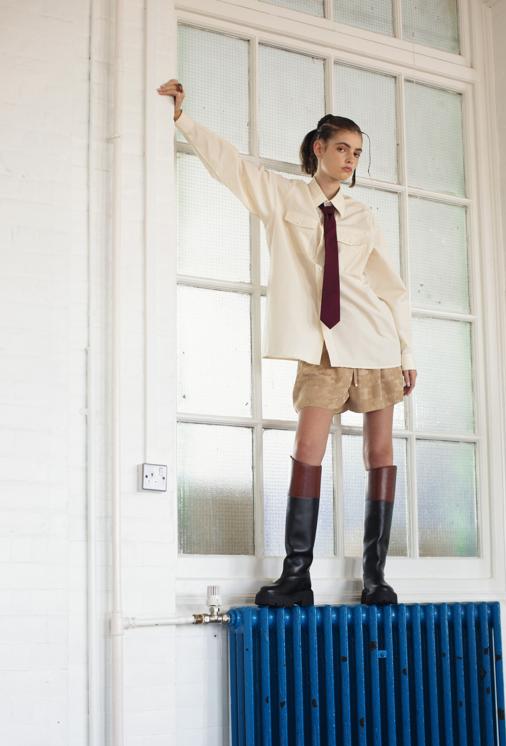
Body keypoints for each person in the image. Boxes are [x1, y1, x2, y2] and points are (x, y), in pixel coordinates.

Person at [157, 79, 417, 609]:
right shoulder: (283, 197)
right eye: (342, 148)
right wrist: (183, 120)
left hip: (375, 341)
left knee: (380, 453)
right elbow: (232, 167)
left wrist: (407, 352)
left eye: (358, 153)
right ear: (318, 148)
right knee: (306, 450)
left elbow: (389, 286)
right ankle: (296, 575)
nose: (350, 160)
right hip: (320, 344)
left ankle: (376, 578)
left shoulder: (363, 216)